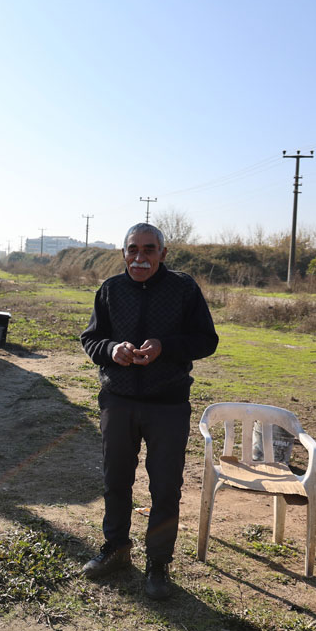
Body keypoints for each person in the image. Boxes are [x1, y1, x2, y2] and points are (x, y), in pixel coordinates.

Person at [79, 223, 218, 600]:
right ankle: (116, 549)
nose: (140, 257)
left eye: (149, 250)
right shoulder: (110, 290)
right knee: (116, 480)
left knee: (165, 488)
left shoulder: (184, 289)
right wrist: (112, 350)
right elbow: (90, 338)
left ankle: (158, 563)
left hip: (168, 405)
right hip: (118, 401)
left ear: (163, 253)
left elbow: (207, 340)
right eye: (133, 249)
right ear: (123, 252)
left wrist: (165, 346)